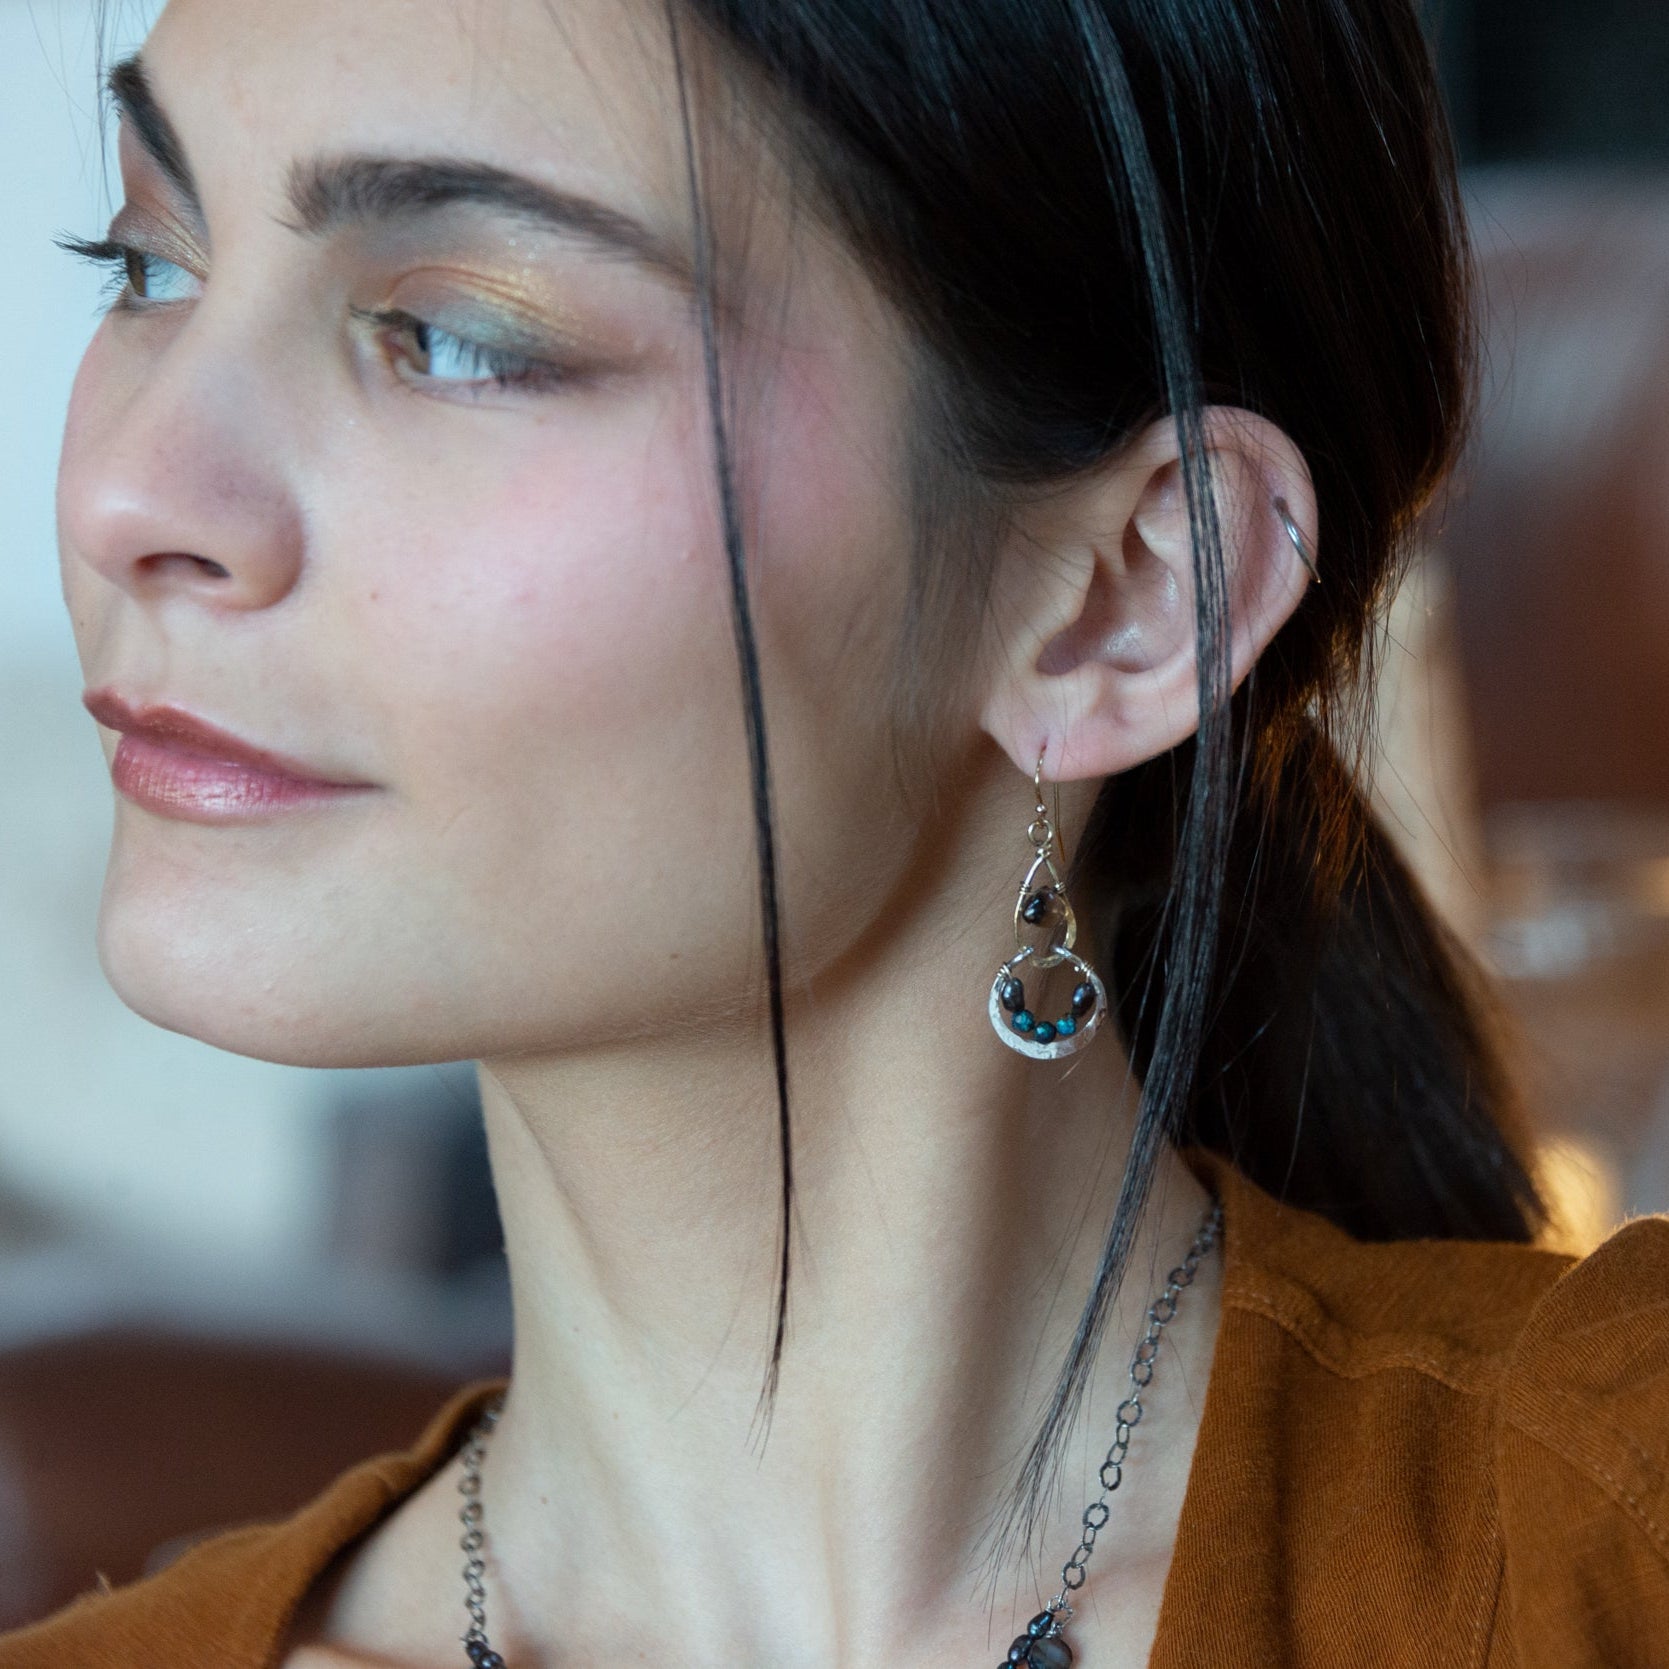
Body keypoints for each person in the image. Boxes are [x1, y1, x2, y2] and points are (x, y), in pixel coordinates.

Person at [4, 0, 1665, 1664]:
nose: (129, 493)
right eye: (151, 262)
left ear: (1129, 601)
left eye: (457, 335)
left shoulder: (1608, 1535)